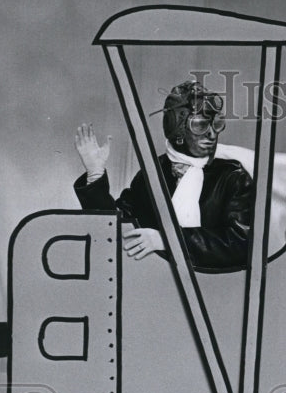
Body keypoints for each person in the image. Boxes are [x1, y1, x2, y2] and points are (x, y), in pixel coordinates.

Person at [73, 79, 253, 269]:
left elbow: (242, 244)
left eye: (216, 124)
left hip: (216, 290)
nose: (212, 134)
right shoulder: (152, 175)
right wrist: (95, 174)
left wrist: (169, 240)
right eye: (200, 125)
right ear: (177, 128)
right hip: (157, 286)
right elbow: (117, 230)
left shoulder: (233, 177)